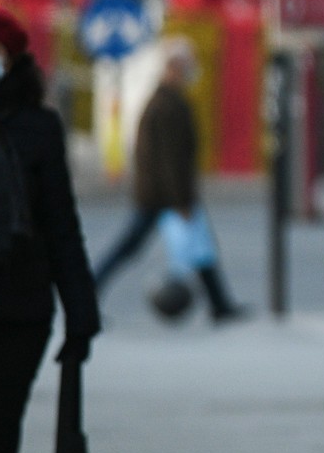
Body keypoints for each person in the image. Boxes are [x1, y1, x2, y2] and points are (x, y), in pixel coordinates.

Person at [0, 8, 98, 453]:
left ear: (12, 60)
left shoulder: (38, 129)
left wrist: (82, 313)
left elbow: (61, 228)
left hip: (15, 319)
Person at [93, 38, 246, 320]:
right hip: (164, 195)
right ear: (173, 67)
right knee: (133, 247)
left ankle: (219, 304)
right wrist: (181, 201)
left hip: (163, 194)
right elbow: (169, 160)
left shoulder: (165, 100)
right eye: (185, 66)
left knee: (199, 248)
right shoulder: (167, 104)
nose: (189, 72)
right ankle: (88, 296)